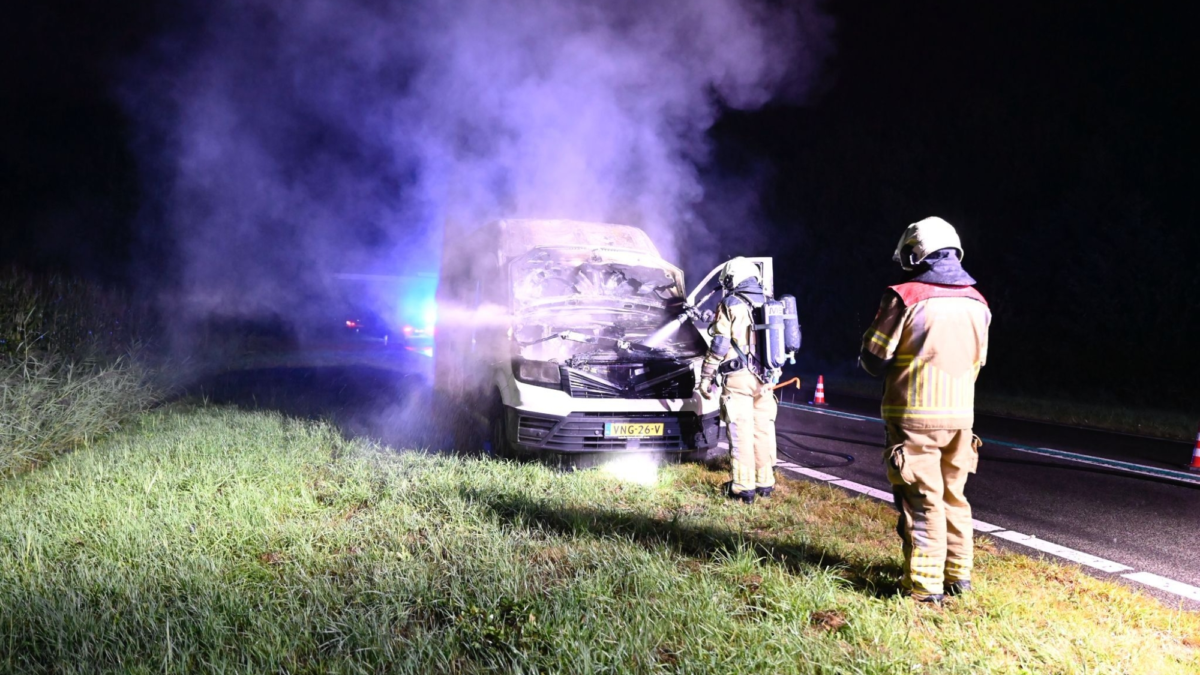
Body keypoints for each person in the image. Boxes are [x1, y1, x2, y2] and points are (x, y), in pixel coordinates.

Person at [859, 217, 991, 604]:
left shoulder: (904, 296)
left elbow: (874, 357)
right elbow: (978, 360)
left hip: (913, 416)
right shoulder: (978, 302)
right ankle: (959, 576)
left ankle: (924, 587)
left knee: (922, 500)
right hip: (961, 418)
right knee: (954, 496)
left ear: (916, 253)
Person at [698, 257, 778, 504]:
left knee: (741, 430)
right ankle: (765, 483)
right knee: (763, 429)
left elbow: (720, 344)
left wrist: (706, 376)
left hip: (739, 378)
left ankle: (742, 488)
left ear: (732, 279)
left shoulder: (730, 303)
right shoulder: (770, 302)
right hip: (766, 378)